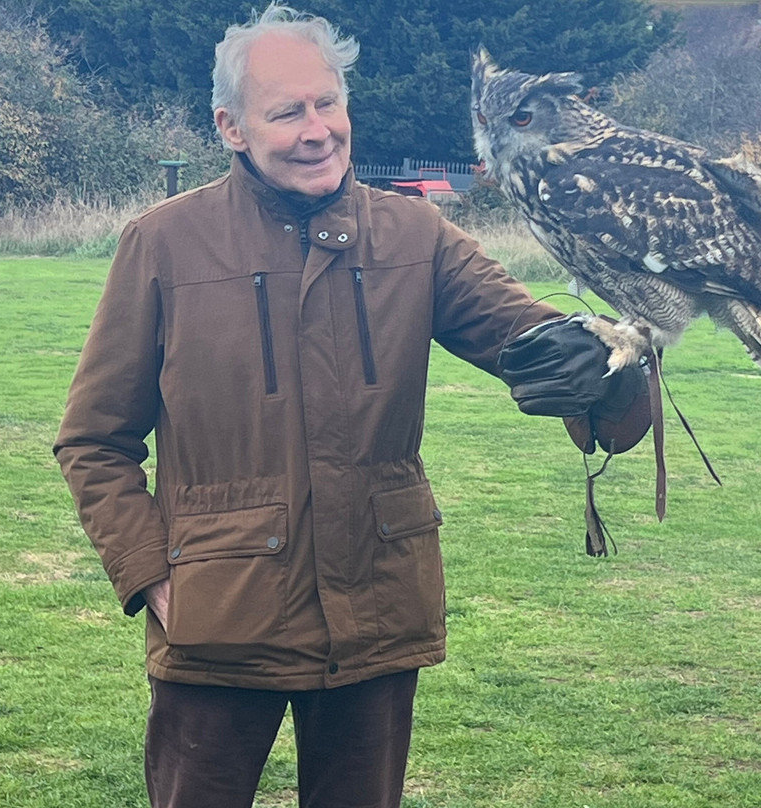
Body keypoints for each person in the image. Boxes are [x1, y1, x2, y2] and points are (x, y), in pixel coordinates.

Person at [54, 5, 649, 807]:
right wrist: (150, 573)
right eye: (287, 111)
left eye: (327, 103)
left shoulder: (417, 234)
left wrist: (611, 356)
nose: (317, 130)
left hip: (374, 604)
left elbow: (530, 338)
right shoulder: (163, 245)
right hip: (219, 617)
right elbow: (93, 439)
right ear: (232, 127)